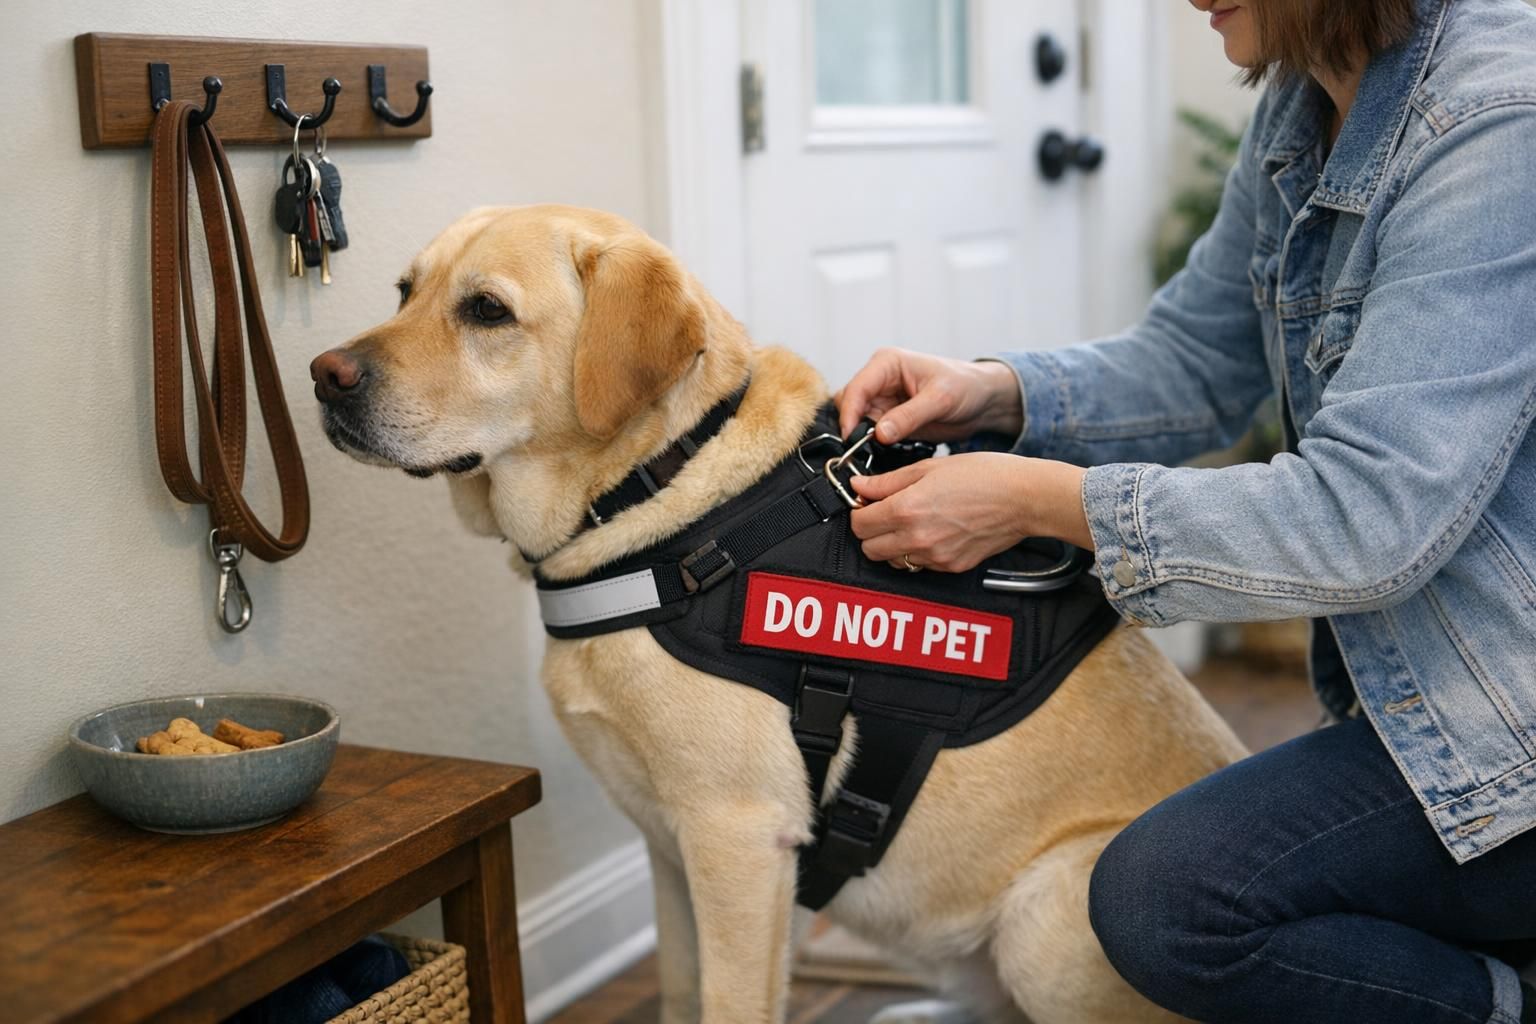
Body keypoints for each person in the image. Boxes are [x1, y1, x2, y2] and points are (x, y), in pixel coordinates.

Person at [835, 0, 1536, 1020]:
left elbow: (1368, 516)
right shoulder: (1311, 99)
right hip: (1456, 709)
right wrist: (995, 391)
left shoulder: (1495, 121)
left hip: (1514, 732)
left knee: (1170, 905)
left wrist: (1036, 498)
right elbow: (1199, 359)